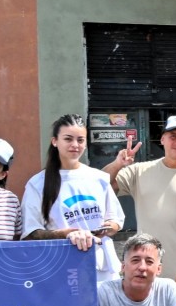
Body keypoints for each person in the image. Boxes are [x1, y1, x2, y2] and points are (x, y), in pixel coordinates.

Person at [105, 115, 176, 278]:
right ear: (162, 139)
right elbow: (101, 185)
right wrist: (117, 164)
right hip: (148, 274)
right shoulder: (139, 171)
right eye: (173, 137)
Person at [20, 114, 125, 280]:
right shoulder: (37, 183)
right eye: (68, 139)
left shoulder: (98, 178)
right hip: (60, 269)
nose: (75, 145)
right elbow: (30, 233)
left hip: (101, 269)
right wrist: (65, 234)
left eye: (80, 140)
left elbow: (116, 220)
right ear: (55, 141)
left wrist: (106, 228)